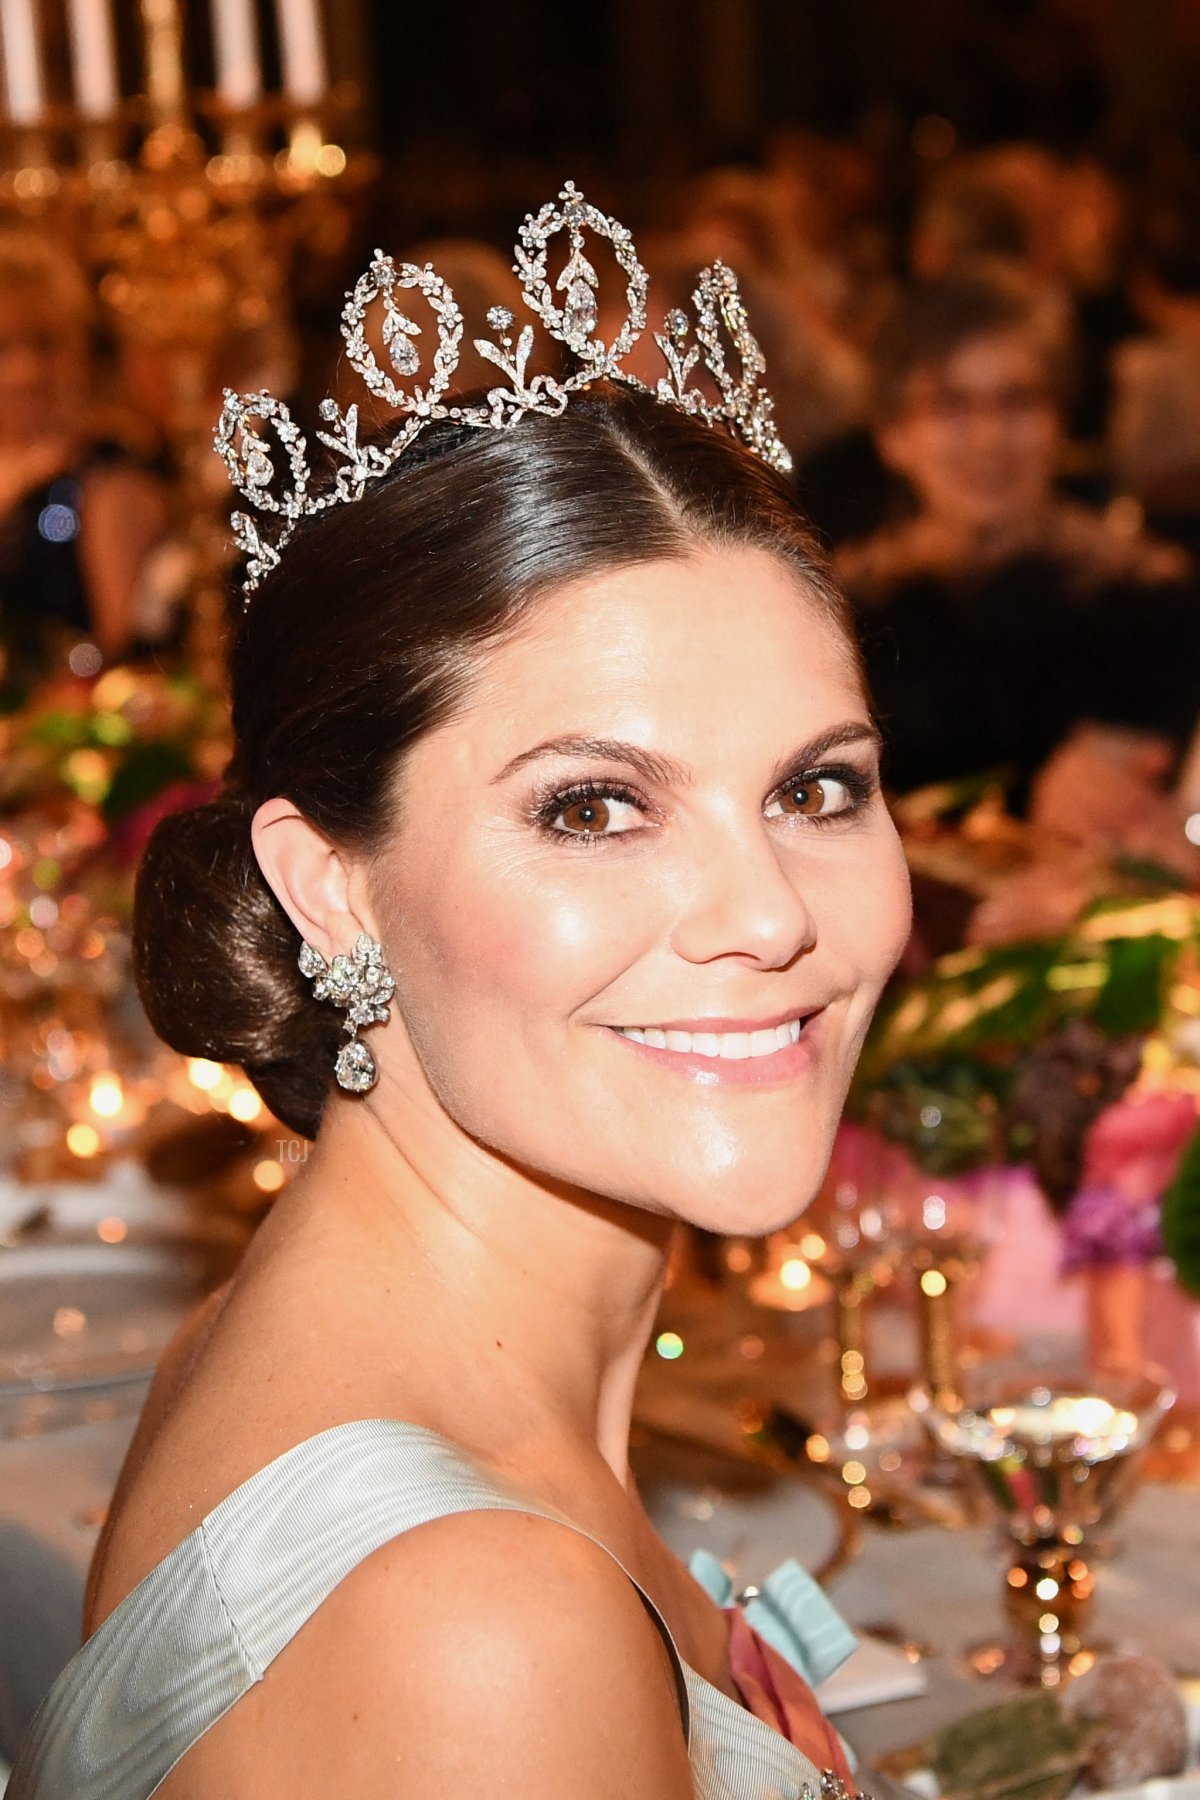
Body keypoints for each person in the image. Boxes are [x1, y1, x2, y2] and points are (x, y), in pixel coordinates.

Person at [9, 196, 911, 1799]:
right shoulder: (478, 1628)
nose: (771, 915)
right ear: (330, 884)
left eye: (816, 788)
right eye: (594, 807)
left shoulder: (322, 1335)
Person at [840, 265, 1200, 801]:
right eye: (951, 405)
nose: (989, 439)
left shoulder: (1149, 600)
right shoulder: (846, 614)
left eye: (1018, 401)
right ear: (893, 436)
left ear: (1061, 421)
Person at [0, 231, 169, 698]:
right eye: (3, 347)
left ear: (82, 348)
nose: (25, 372)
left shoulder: (108, 470)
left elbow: (121, 654)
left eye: (46, 344)